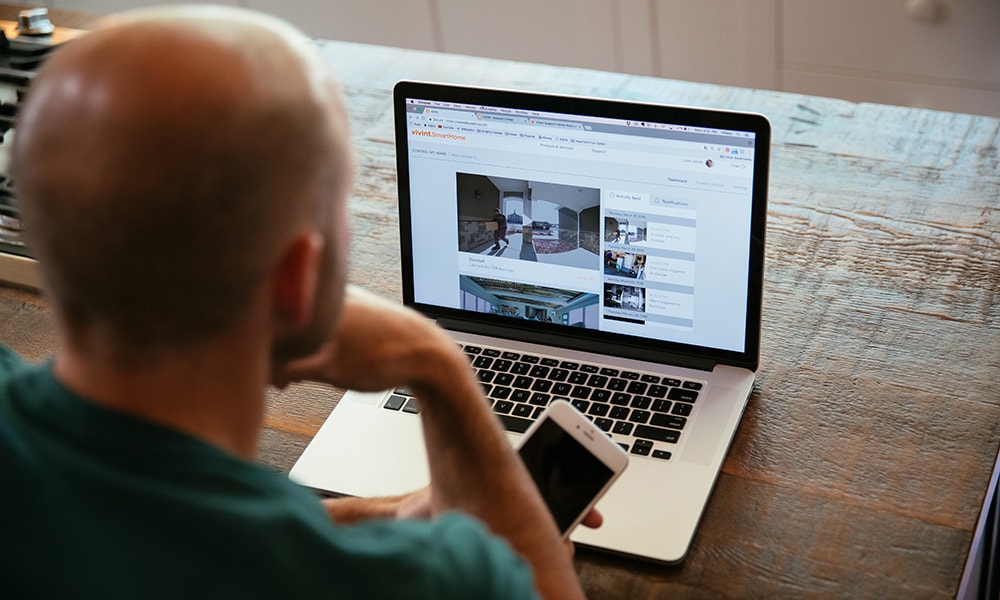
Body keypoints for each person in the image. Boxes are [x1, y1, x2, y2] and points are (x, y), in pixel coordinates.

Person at [0, 6, 594, 598]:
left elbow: (163, 526)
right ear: (295, 280)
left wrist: (387, 517)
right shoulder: (420, 584)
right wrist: (436, 362)